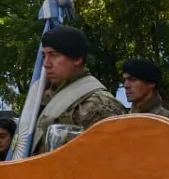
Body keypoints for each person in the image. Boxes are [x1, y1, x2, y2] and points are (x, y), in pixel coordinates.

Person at [31, 26, 125, 155]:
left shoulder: (100, 105)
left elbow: (111, 161)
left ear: (77, 59)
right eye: (44, 55)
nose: (46, 64)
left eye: (53, 55)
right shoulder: (53, 96)